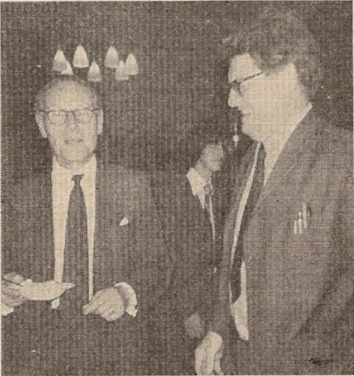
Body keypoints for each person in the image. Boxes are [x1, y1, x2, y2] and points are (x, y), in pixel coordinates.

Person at [195, 9, 353, 375]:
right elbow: (235, 261)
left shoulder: (344, 159)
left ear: (286, 77)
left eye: (240, 85)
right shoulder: (250, 161)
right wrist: (219, 330)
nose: (232, 101)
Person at [2, 76, 168, 375]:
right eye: (58, 115)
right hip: (36, 350)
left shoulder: (132, 186)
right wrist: (7, 290)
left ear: (100, 121)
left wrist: (124, 293)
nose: (72, 126)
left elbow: (158, 264)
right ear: (42, 125)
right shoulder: (18, 196)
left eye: (83, 114)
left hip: (116, 350)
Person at [149, 124, 230, 374]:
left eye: (223, 145)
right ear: (197, 148)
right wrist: (187, 310)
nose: (221, 152)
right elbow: (168, 258)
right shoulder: (172, 194)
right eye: (213, 145)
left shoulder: (220, 195)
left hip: (210, 309)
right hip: (179, 313)